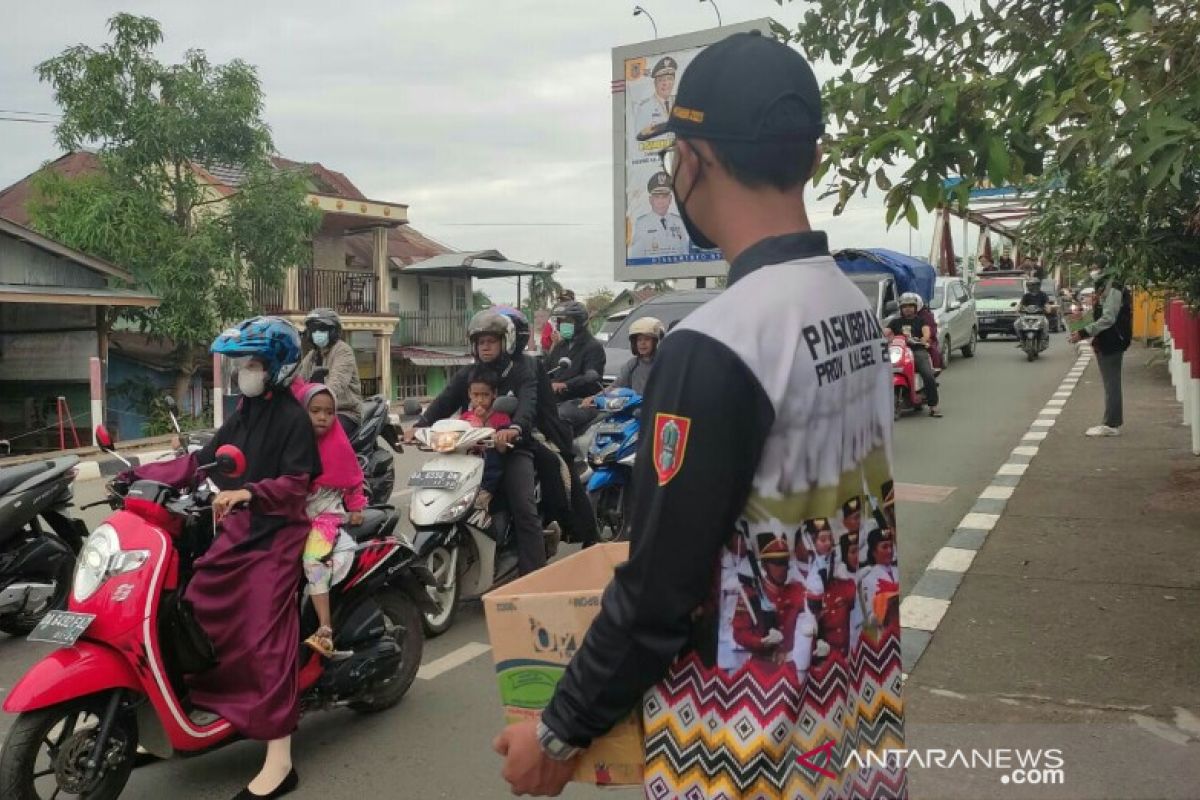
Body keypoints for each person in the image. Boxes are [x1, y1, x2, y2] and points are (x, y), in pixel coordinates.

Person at [495, 32, 905, 799]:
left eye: (673, 154)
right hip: (853, 729)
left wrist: (555, 734)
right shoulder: (849, 307)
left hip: (746, 755)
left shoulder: (719, 343)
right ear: (808, 159)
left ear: (698, 158)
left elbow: (659, 592)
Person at [122, 317, 319, 799]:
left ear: (274, 366)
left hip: (279, 534)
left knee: (261, 629)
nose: (241, 373)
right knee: (195, 601)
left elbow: (297, 485)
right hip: (241, 531)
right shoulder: (246, 410)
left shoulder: (294, 418)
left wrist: (249, 493)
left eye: (250, 364)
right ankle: (204, 708)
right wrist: (142, 476)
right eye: (240, 364)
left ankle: (279, 757)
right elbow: (207, 458)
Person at [405, 310, 548, 574]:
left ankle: (534, 574)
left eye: (491, 341)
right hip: (470, 448)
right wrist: (420, 426)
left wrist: (514, 428)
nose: (485, 346)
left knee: (524, 507)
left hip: (512, 448)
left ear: (505, 343)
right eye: (480, 342)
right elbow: (444, 401)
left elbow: (527, 406)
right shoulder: (467, 374)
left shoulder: (520, 372)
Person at [292, 380, 366, 659]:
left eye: (329, 412)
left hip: (325, 518)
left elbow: (354, 480)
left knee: (312, 561)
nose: (323, 417)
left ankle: (324, 629)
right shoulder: (293, 445)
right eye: (315, 411)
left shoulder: (339, 445)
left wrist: (356, 508)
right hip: (294, 517)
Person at [1070, 256, 1133, 437]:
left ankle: (1111, 424)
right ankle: (1111, 421)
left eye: (1095, 266)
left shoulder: (1113, 287)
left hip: (1113, 338)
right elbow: (1099, 313)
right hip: (1107, 338)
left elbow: (1108, 318)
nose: (1093, 270)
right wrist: (1081, 324)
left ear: (1106, 268)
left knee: (1111, 381)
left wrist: (1083, 332)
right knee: (1109, 381)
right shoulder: (1104, 287)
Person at [298, 308, 363, 438]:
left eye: (322, 329)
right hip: (316, 411)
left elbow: (336, 384)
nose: (317, 333)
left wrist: (317, 395)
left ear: (333, 332)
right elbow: (298, 380)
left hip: (345, 411)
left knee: (320, 435)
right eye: (314, 330)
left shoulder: (343, 351)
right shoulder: (312, 355)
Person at [458, 366, 513, 513]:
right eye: (476, 395)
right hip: (468, 459)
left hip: (488, 461)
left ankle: (485, 494)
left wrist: (484, 422)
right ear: (469, 394)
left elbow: (503, 447)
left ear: (494, 394)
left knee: (493, 459)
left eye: (485, 395)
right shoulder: (465, 417)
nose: (480, 400)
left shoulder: (501, 416)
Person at [546, 299, 606, 431]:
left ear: (579, 323)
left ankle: (564, 450)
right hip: (557, 400)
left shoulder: (593, 347)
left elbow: (590, 377)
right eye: (560, 322)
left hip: (582, 401)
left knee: (560, 416)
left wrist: (565, 385)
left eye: (568, 321)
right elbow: (547, 370)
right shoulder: (560, 346)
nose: (562, 325)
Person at [584, 316, 663, 404]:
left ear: (656, 341)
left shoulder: (664, 364)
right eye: (639, 340)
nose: (642, 343)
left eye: (647, 339)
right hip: (634, 409)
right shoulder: (633, 364)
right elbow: (615, 386)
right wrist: (594, 398)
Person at [888, 292, 943, 417]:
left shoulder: (920, 320)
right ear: (901, 308)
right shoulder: (895, 322)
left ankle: (933, 406)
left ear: (915, 307)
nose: (907, 308)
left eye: (910, 306)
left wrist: (923, 339)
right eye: (905, 306)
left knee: (928, 375)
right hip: (899, 351)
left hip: (917, 351)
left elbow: (926, 332)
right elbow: (886, 332)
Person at [630, 172, 689, 259]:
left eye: (664, 197)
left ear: (670, 199)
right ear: (650, 200)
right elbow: (637, 258)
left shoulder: (679, 222)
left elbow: (685, 254)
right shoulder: (641, 224)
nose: (661, 201)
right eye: (657, 197)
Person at [633, 56, 677, 143]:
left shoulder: (680, 103)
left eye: (669, 79)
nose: (666, 84)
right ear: (655, 83)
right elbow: (638, 139)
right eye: (661, 80)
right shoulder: (644, 107)